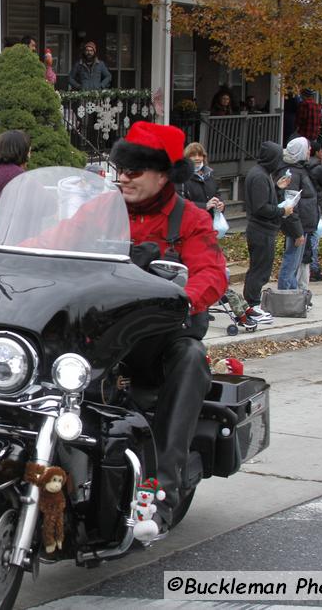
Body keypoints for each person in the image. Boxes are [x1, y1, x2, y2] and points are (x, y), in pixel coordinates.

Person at [108, 122, 227, 532]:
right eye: (120, 168)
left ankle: (161, 491)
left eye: (134, 170)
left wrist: (182, 300)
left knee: (191, 358)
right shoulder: (100, 210)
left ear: (163, 174)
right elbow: (51, 242)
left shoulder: (190, 219)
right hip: (104, 330)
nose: (123, 177)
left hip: (160, 337)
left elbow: (211, 273)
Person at [243, 141, 293, 322]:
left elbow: (264, 200)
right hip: (261, 229)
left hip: (263, 229)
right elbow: (261, 207)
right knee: (259, 269)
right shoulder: (259, 177)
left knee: (259, 267)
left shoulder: (263, 175)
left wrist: (277, 188)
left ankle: (252, 305)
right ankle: (252, 306)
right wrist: (282, 211)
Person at [276, 137, 318, 291]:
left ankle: (294, 296)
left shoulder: (299, 169)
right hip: (297, 226)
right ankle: (285, 297)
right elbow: (290, 204)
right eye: (307, 148)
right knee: (291, 261)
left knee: (295, 262)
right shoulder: (292, 173)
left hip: (303, 225)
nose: (309, 151)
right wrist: (297, 231)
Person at [305, 143, 322, 281]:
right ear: (317, 152)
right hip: (316, 204)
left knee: (307, 236)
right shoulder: (318, 168)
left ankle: (308, 266)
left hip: (304, 206)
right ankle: (314, 267)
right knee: (315, 236)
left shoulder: (302, 166)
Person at [179, 143, 224, 217]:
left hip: (210, 221)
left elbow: (217, 194)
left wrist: (220, 204)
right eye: (193, 156)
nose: (197, 158)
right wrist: (204, 206)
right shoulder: (181, 178)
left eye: (200, 155)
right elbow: (180, 203)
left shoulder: (210, 174)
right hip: (192, 223)